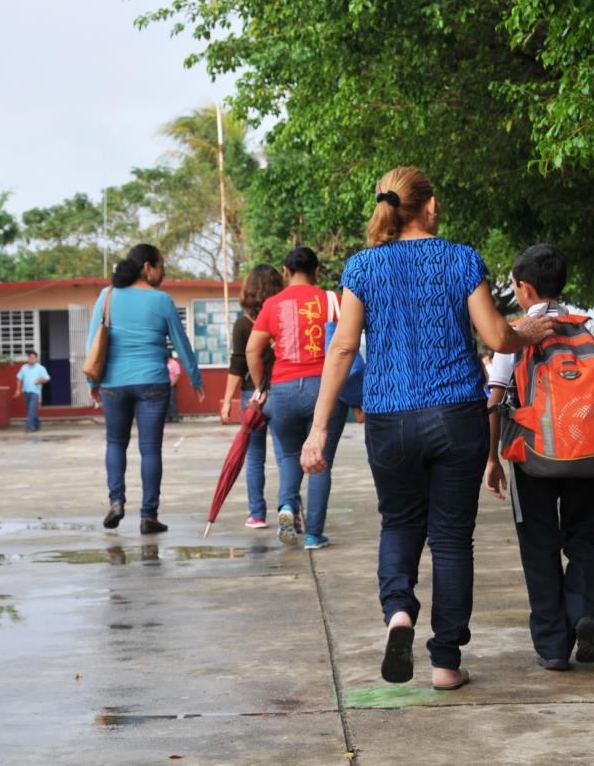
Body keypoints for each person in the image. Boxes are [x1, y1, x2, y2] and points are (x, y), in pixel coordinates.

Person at [299, 167, 552, 691]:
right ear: (429, 206)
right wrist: (527, 333)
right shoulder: (460, 259)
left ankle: (398, 615)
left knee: (398, 525)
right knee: (453, 540)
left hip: (389, 419)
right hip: (456, 415)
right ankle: (445, 663)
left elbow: (343, 349)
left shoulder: (362, 267)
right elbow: (497, 336)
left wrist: (319, 428)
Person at [486, 244, 594, 671]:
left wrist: (491, 458)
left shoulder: (515, 333)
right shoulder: (589, 326)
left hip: (533, 458)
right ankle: (586, 612)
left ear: (524, 288)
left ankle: (553, 647)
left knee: (539, 547)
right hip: (589, 452)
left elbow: (496, 396)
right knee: (584, 538)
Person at [87, 244, 204, 534]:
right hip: (152, 381)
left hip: (114, 383)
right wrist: (195, 378)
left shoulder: (108, 295)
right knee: (150, 449)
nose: (163, 272)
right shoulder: (162, 301)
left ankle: (116, 501)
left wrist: (92, 383)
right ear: (147, 267)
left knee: (116, 443)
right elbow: (181, 343)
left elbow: (94, 341)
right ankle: (148, 515)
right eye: (161, 266)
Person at [246, 247, 348, 550]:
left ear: (285, 271)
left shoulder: (272, 304)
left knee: (290, 456)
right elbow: (351, 345)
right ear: (316, 271)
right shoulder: (333, 300)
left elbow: (253, 350)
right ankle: (314, 534)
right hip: (325, 390)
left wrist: (260, 388)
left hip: (283, 391)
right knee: (320, 461)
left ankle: (287, 508)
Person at [220, 263, 284, 529]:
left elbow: (238, 365)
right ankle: (290, 509)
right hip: (282, 390)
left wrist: (226, 401)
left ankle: (257, 514)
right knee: (286, 455)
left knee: (255, 457)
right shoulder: (282, 319)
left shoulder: (243, 325)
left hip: (253, 394)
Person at [14, 350, 50, 432]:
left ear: (36, 359)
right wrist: (18, 390)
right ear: (28, 358)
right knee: (30, 409)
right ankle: (37, 423)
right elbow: (19, 379)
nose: (32, 359)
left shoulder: (41, 368)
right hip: (26, 391)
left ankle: (29, 427)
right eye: (30, 357)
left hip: (35, 392)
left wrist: (40, 381)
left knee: (31, 409)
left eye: (34, 357)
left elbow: (47, 378)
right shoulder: (24, 367)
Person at [165, 352, 182, 423]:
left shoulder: (174, 363)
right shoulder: (164, 363)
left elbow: (178, 375)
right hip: (164, 385)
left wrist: (172, 384)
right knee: (165, 402)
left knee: (172, 401)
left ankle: (175, 417)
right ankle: (168, 417)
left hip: (171, 384)